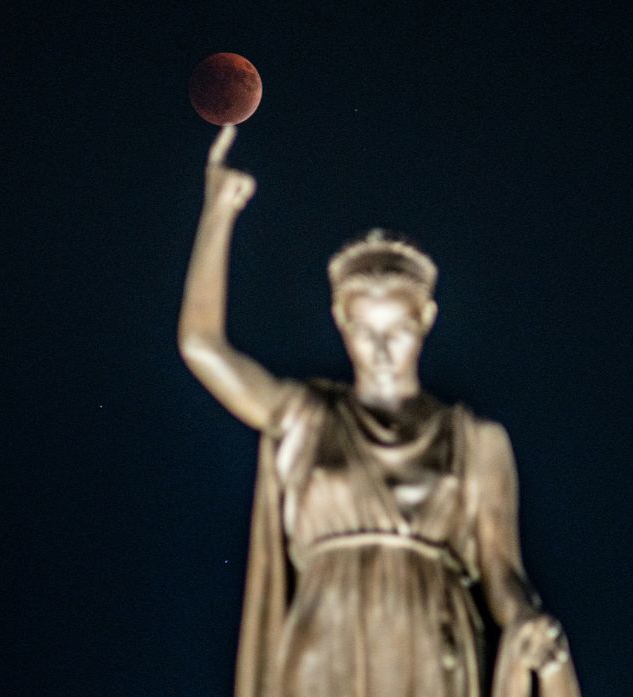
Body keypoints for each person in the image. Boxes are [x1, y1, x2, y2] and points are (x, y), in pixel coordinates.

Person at [178, 125, 581, 697]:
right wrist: (217, 211)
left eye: (396, 330)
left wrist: (529, 622)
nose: (382, 349)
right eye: (366, 331)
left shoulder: (474, 441)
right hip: (323, 650)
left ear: (427, 321)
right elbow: (202, 346)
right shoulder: (306, 416)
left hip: (430, 649)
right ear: (342, 322)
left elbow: (502, 573)